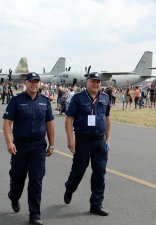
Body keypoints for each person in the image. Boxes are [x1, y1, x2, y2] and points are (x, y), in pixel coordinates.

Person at [2, 72, 55, 225]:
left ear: (39, 84)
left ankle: (35, 215)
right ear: (25, 83)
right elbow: (7, 123)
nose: (34, 84)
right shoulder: (16, 100)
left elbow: (50, 124)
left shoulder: (45, 102)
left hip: (38, 146)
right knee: (17, 177)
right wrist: (9, 142)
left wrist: (51, 144)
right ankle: (14, 196)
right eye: (31, 81)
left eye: (37, 81)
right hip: (20, 145)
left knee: (36, 179)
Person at [64, 72, 111, 216]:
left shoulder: (105, 98)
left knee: (99, 173)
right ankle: (70, 188)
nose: (96, 84)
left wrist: (107, 139)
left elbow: (108, 118)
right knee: (78, 171)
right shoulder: (78, 98)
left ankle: (96, 205)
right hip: (83, 141)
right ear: (87, 82)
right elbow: (69, 119)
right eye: (93, 81)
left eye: (98, 82)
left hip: (99, 142)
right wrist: (70, 140)